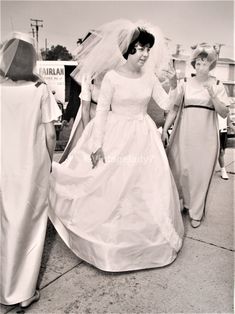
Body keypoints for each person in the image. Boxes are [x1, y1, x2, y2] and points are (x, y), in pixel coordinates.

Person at [49, 20, 184, 272]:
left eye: (148, 49)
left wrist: (175, 84)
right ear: (129, 49)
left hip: (143, 136)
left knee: (143, 187)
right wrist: (97, 144)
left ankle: (142, 240)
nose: (146, 54)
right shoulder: (111, 77)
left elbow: (166, 104)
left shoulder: (150, 77)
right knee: (110, 185)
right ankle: (109, 239)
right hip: (115, 133)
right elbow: (100, 112)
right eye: (141, 49)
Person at [0, 32, 61, 307]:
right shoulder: (40, 90)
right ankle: (24, 293)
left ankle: (5, 288)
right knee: (32, 225)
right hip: (31, 167)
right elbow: (50, 134)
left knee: (5, 223)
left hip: (4, 165)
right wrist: (50, 162)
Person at [162, 43, 230, 228]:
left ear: (211, 65)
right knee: (182, 171)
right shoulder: (184, 84)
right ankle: (183, 203)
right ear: (193, 64)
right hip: (185, 133)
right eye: (198, 63)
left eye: (205, 64)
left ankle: (196, 212)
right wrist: (165, 131)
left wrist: (213, 96)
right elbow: (175, 109)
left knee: (201, 173)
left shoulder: (217, 85)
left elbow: (224, 113)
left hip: (206, 137)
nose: (201, 67)